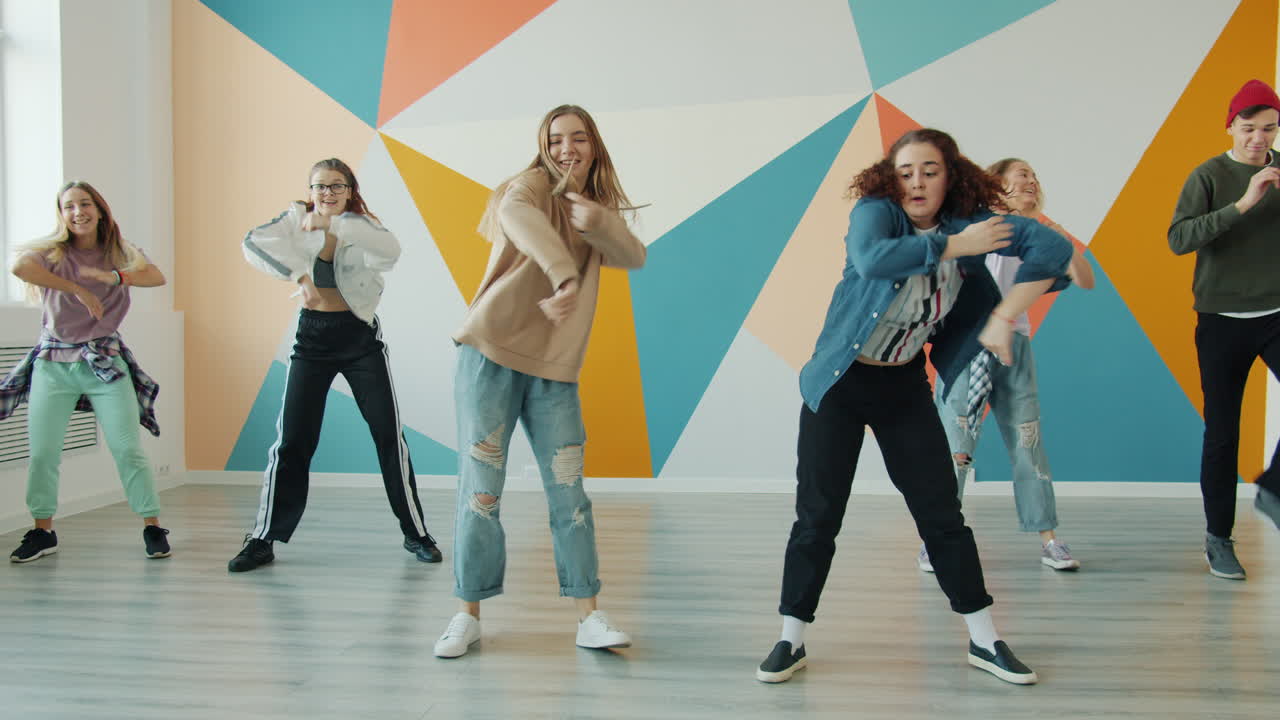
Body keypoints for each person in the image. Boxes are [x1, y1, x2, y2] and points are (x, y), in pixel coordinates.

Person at [757, 128, 1073, 686]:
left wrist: (1003, 315)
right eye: (906, 172)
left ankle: (985, 640)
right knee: (818, 515)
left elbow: (1055, 251)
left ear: (950, 174)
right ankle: (790, 638)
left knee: (941, 515)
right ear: (890, 179)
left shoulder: (968, 227)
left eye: (930, 169)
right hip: (838, 385)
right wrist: (958, 246)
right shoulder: (876, 215)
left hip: (903, 387)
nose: (918, 181)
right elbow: (874, 259)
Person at [432, 105, 646, 659]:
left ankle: (589, 616)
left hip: (554, 369)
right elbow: (516, 218)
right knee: (480, 493)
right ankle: (467, 614)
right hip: (490, 355)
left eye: (577, 139)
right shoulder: (526, 187)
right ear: (543, 147)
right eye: (555, 140)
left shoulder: (592, 211)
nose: (566, 149)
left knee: (570, 493)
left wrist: (601, 222)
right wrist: (562, 270)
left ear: (594, 145)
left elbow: (634, 255)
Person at [228, 158, 441, 572]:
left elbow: (391, 251)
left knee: (388, 436)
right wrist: (300, 277)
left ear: (349, 190)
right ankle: (262, 538)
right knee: (292, 441)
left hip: (360, 339)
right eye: (320, 186)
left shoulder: (362, 226)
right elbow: (252, 244)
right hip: (312, 339)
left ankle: (416, 533)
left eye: (336, 186)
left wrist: (334, 227)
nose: (327, 194)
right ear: (310, 191)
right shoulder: (294, 221)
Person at [924, 158, 1095, 573]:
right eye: (1022, 175)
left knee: (1028, 443)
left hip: (1015, 344)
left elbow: (1085, 279)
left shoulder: (1039, 237)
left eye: (1035, 177)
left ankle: (1049, 540)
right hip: (968, 345)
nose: (1031, 182)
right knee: (956, 449)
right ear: (997, 184)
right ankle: (936, 541)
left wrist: (1058, 239)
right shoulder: (981, 226)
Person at [2, 181, 170, 562]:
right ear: (61, 215)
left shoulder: (119, 252)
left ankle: (152, 526)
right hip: (53, 365)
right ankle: (43, 533)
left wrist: (114, 278)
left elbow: (156, 276)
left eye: (85, 204)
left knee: (127, 449)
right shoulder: (51, 254)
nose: (78, 212)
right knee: (43, 454)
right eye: (69, 206)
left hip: (105, 363)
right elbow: (17, 266)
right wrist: (76, 289)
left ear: (100, 209)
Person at [1169, 79, 1280, 581]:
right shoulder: (1209, 174)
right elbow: (1179, 239)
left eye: (1269, 128)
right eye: (1249, 128)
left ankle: (1274, 488)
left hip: (1277, 313)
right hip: (1220, 319)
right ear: (1231, 126)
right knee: (1222, 432)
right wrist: (1243, 203)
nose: (1258, 138)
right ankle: (1219, 539)